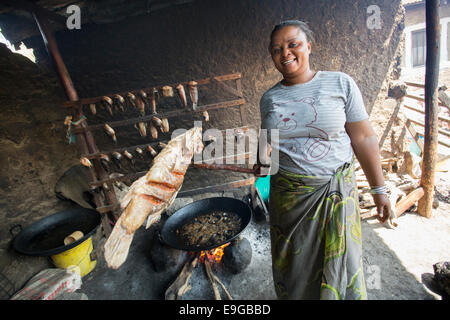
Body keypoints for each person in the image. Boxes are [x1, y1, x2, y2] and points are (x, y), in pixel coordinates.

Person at [258, 20, 392, 300]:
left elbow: (363, 138)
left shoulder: (340, 83)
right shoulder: (269, 99)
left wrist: (379, 190)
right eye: (276, 49)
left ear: (309, 45)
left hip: (337, 195)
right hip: (290, 201)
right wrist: (257, 165)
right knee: (295, 272)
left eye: (293, 44)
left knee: (343, 266)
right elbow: (266, 147)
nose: (285, 54)